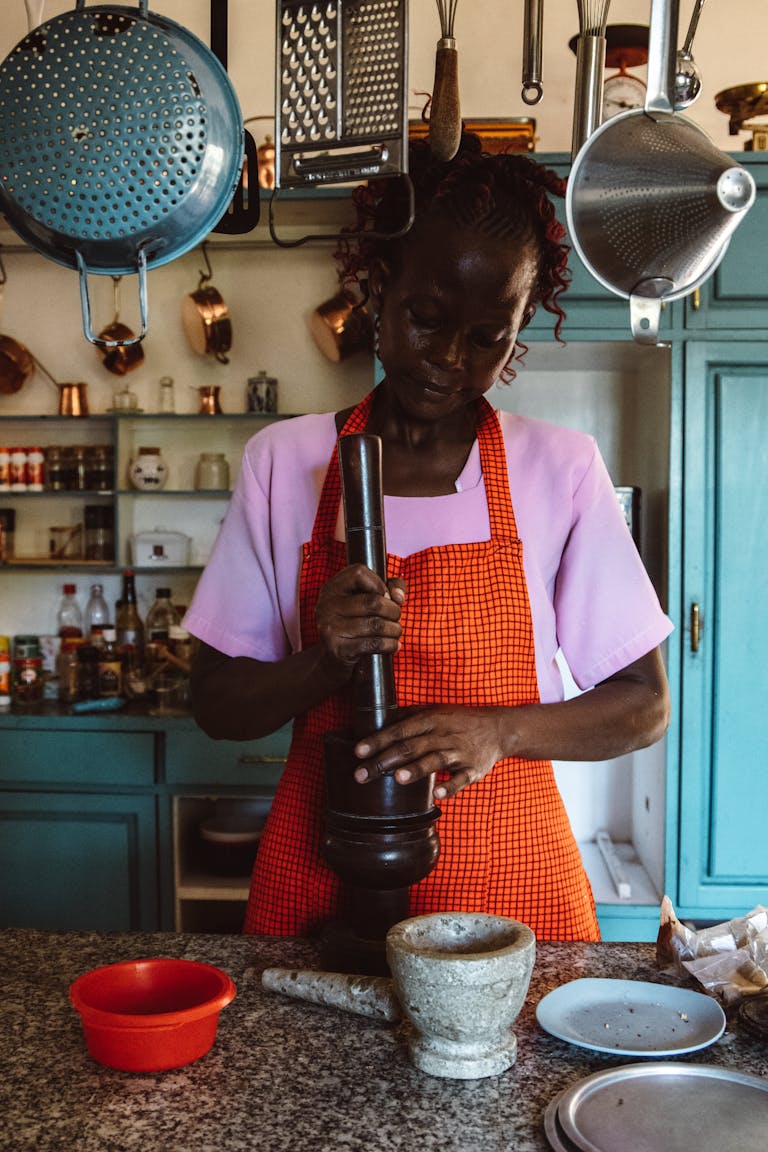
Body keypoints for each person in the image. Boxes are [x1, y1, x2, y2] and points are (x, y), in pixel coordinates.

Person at [185, 134, 672, 943]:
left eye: (490, 336)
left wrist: (499, 731)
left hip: (510, 891)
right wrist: (323, 662)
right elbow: (214, 704)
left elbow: (643, 705)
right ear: (379, 288)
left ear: (520, 327)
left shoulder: (559, 467)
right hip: (326, 875)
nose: (449, 359)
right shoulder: (288, 462)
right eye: (427, 318)